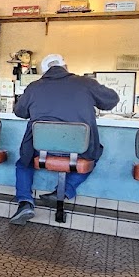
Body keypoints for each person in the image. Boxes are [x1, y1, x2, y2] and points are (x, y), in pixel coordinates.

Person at [9, 54, 119, 225]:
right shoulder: (85, 83)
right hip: (79, 150)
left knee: (24, 163)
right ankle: (64, 190)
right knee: (95, 152)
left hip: (40, 150)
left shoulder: (34, 86)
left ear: (44, 71)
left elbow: (19, 112)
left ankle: (25, 202)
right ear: (65, 66)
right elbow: (112, 100)